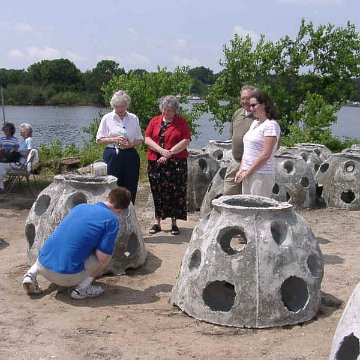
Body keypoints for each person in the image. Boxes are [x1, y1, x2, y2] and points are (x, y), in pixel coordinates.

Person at [22, 187, 132, 300]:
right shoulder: (111, 220)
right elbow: (102, 257)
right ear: (120, 210)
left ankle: (30, 274)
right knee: (106, 254)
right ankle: (81, 289)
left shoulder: (80, 207)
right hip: (66, 277)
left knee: (58, 241)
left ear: (107, 198)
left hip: (42, 264)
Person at [144, 95, 191, 235]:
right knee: (157, 192)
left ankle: (174, 223)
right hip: (155, 162)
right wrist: (161, 151)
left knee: (175, 192)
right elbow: (147, 139)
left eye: (169, 110)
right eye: (164, 109)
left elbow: (186, 140)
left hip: (176, 162)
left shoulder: (181, 122)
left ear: (175, 110)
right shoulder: (154, 121)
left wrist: (169, 153)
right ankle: (157, 222)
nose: (166, 112)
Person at [96, 90, 143, 204]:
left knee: (130, 186)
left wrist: (130, 144)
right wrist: (114, 139)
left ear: (127, 105)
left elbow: (140, 139)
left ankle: (129, 212)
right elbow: (99, 139)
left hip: (130, 154)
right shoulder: (107, 118)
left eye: (122, 106)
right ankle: (111, 212)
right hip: (113, 154)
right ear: (113, 106)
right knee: (113, 186)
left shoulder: (133, 118)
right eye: (117, 107)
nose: (120, 109)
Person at [234, 90, 281, 197]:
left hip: (261, 175)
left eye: (254, 105)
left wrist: (248, 171)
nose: (251, 109)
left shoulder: (271, 125)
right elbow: (247, 151)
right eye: (250, 106)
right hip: (248, 173)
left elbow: (265, 155)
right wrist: (241, 170)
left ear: (264, 104)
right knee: (247, 209)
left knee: (258, 211)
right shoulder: (255, 123)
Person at [223, 85, 256, 195]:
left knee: (248, 197)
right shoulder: (237, 113)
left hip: (252, 164)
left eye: (248, 98)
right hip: (235, 161)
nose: (245, 101)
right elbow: (232, 134)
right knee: (228, 194)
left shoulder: (260, 117)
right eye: (243, 98)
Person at [0, 122, 34, 192]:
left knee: (1, 166)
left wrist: (17, 151)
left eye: (22, 130)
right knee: (1, 165)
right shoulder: (25, 141)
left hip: (21, 165)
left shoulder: (29, 140)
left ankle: (1, 187)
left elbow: (27, 154)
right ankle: (1, 186)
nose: (20, 132)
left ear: (27, 131)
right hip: (17, 163)